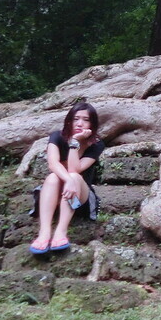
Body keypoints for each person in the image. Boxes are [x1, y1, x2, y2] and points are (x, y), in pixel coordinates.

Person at [29, 102, 104, 255]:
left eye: (85, 120)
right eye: (76, 119)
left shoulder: (96, 144)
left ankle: (60, 232)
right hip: (54, 193)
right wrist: (67, 180)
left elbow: (74, 169)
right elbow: (53, 163)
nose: (80, 123)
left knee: (75, 176)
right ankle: (44, 233)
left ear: (92, 124)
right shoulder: (57, 137)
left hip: (79, 197)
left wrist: (75, 143)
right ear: (69, 121)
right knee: (52, 178)